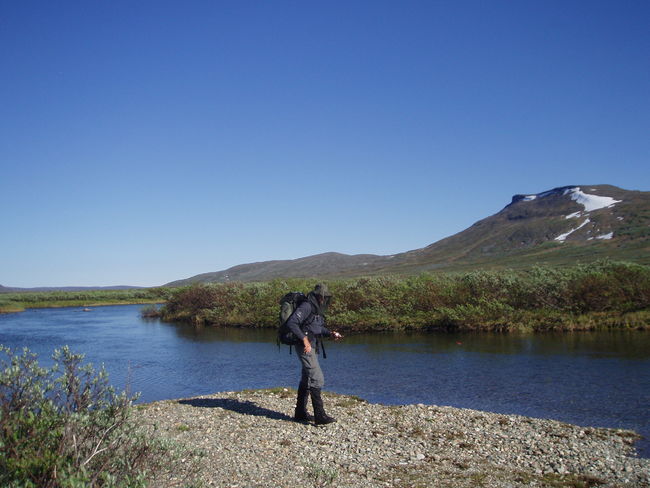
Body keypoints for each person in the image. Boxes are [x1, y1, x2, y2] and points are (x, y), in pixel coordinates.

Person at [284, 283, 342, 424]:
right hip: (305, 347)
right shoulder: (307, 306)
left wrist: (330, 333)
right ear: (317, 296)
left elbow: (316, 328)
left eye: (326, 297)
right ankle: (320, 416)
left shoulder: (316, 309)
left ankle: (300, 413)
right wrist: (304, 340)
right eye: (323, 297)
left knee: (307, 378)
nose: (324, 300)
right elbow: (292, 323)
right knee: (317, 378)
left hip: (312, 345)